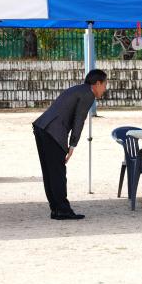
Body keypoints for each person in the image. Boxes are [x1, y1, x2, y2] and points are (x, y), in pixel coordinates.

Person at [33, 69, 108, 220]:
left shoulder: (79, 89)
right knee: (58, 173)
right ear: (97, 83)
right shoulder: (88, 94)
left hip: (41, 127)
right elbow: (79, 120)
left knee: (50, 173)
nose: (105, 88)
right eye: (105, 84)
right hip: (53, 131)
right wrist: (72, 145)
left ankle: (56, 209)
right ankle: (63, 210)